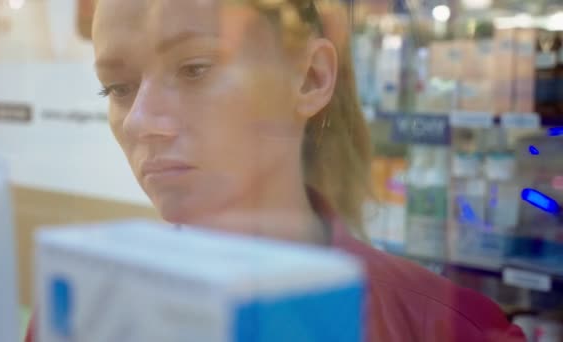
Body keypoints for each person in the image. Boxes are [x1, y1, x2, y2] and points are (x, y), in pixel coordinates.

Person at [26, 0, 526, 340]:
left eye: (195, 68)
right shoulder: (77, 310)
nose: (139, 121)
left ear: (310, 78)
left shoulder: (448, 328)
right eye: (116, 88)